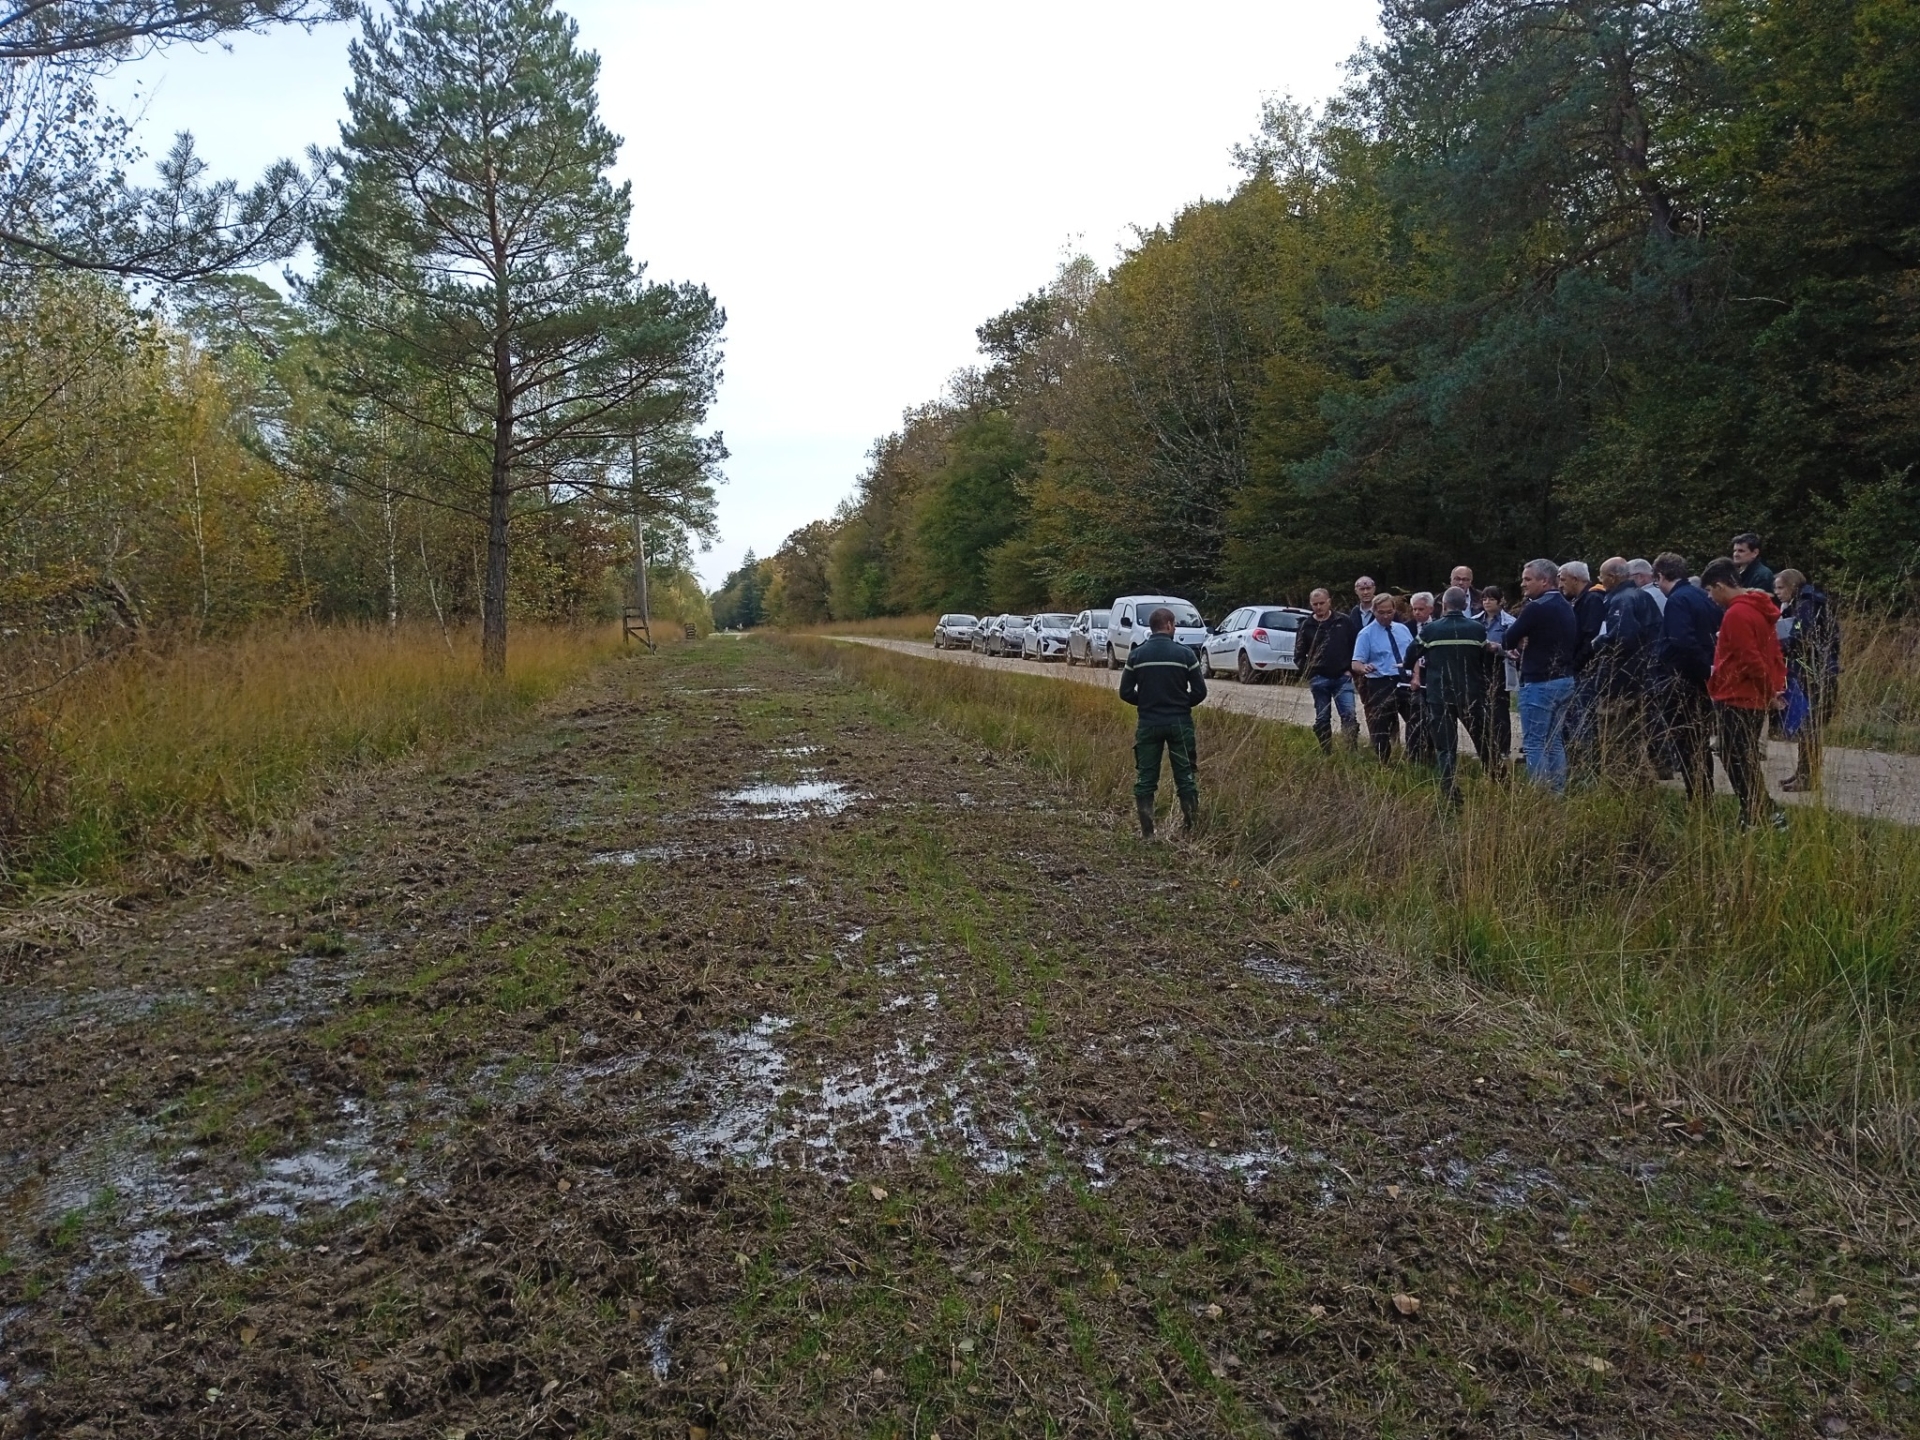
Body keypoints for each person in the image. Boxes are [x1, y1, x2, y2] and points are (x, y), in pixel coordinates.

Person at [1703, 558, 1787, 830]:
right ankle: (1754, 811)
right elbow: (1770, 653)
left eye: (1710, 590)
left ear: (1720, 586)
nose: (1710, 597)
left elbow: (1751, 659)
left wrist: (1769, 692)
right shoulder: (1758, 608)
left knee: (1735, 756)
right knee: (1742, 756)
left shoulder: (1737, 614)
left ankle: (1762, 811)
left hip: (1738, 695)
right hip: (1749, 693)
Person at [1118, 606, 1208, 838]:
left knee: (1146, 777)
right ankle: (1191, 829)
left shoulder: (1137, 655)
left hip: (1149, 723)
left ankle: (1148, 832)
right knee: (1185, 776)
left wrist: (1146, 702)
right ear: (1168, 625)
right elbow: (1200, 691)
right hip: (1179, 723)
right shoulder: (1185, 654)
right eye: (1174, 624)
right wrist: (1181, 703)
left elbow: (1125, 692)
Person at [1502, 559, 1580, 792]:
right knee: (1554, 741)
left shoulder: (1537, 607)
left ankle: (1539, 794)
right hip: (1564, 679)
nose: (1523, 585)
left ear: (1544, 581)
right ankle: (1557, 792)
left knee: (1534, 742)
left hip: (1540, 682)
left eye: (1528, 579)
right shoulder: (1566, 605)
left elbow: (1508, 638)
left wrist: (1522, 640)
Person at [1653, 552, 1720, 803]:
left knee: (1686, 742)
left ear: (1661, 576)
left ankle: (1698, 797)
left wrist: (1701, 668)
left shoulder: (1677, 600)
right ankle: (1704, 793)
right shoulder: (1702, 596)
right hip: (1701, 679)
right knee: (1699, 741)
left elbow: (1681, 641)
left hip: (1681, 680)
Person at [1589, 557, 1663, 780]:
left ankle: (1620, 785)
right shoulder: (1643, 597)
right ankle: (1640, 782)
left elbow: (1622, 638)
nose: (1600, 581)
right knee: (1634, 736)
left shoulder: (1622, 601)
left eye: (1602, 576)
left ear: (1612, 577)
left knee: (1614, 739)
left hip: (1619, 682)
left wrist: (1598, 643)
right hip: (1641, 678)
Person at [1421, 587, 1491, 805]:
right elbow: (1485, 660)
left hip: (1439, 695)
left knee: (1445, 747)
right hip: (1471, 694)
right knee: (1483, 740)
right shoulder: (1477, 629)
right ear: (1465, 605)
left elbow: (1410, 656)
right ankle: (1498, 780)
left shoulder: (1430, 630)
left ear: (1443, 605)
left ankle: (1450, 791)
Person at [1774, 568, 1841, 792]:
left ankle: (1808, 775)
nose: (1777, 592)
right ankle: (1803, 771)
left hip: (1815, 671)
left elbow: (1802, 634)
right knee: (1806, 723)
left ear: (1793, 586)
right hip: (1812, 669)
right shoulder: (1806, 602)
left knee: (1810, 724)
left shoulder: (1806, 604)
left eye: (1781, 587)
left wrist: (1784, 644)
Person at [1351, 593, 1414, 763]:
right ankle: (1384, 761)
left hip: (1405, 681)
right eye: (1381, 613)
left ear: (1394, 610)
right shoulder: (1366, 634)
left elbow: (1413, 654)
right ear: (1374, 612)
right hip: (1381, 682)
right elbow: (1355, 662)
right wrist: (1363, 668)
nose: (1386, 616)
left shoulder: (1402, 629)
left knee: (1416, 718)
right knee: (1381, 724)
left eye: (1389, 612)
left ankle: (1415, 757)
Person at [1297, 588, 1360, 753]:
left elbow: (1356, 646)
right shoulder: (1307, 625)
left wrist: (1351, 670)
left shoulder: (1343, 621)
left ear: (1329, 602)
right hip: (1319, 679)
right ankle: (1326, 750)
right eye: (1315, 604)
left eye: (1322, 603)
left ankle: (1351, 750)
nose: (1318, 607)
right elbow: (1298, 654)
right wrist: (1309, 674)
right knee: (1322, 718)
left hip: (1342, 676)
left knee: (1349, 715)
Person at [1474, 584, 1516, 766]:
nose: (1487, 602)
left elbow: (1514, 649)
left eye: (1491, 599)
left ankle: (1503, 748)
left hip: (1499, 667)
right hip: (1480, 666)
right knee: (1481, 708)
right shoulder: (1475, 621)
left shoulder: (1509, 622)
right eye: (1484, 599)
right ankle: (1485, 747)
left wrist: (1497, 648)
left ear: (1500, 601)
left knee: (1499, 709)